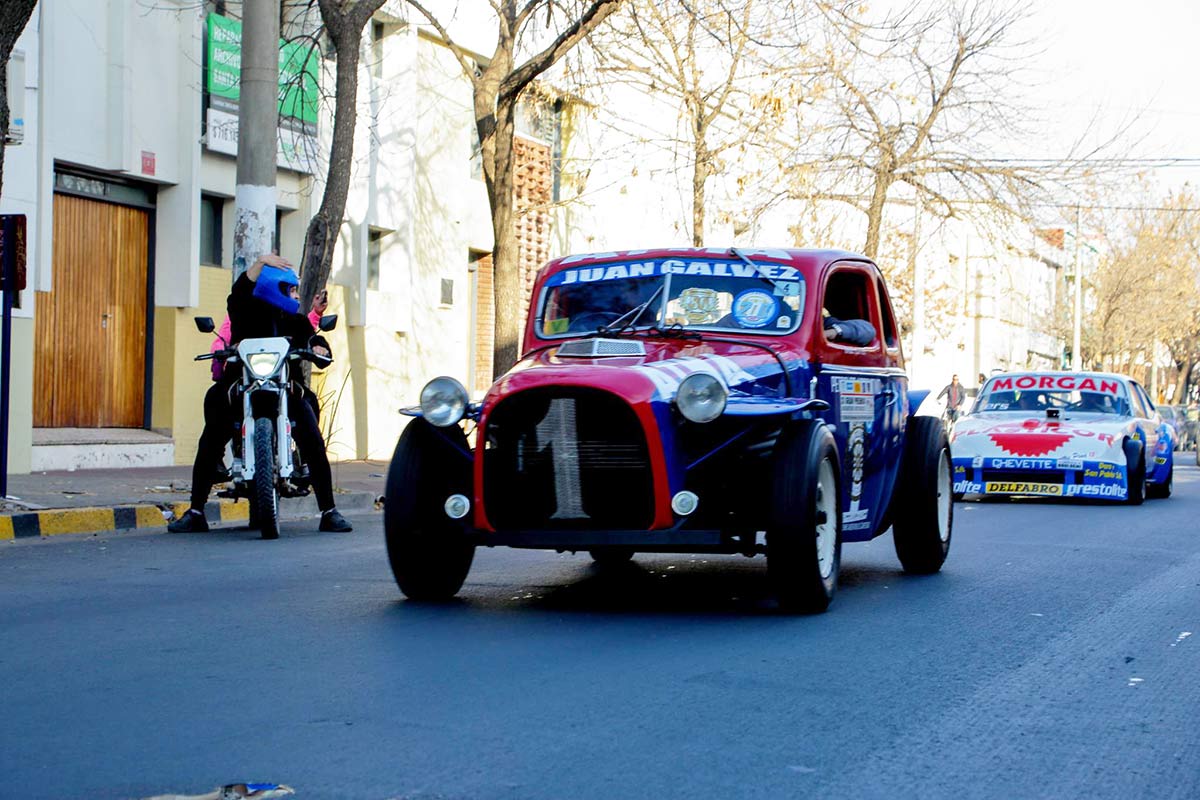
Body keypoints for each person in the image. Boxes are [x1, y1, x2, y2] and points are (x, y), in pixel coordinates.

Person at [169, 254, 351, 534]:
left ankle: (329, 510)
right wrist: (259, 263)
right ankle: (196, 510)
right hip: (243, 389)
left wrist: (319, 349)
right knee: (214, 415)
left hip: (283, 392)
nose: (294, 295)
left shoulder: (296, 321)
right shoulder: (245, 313)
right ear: (274, 287)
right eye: (290, 290)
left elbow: (311, 337)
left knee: (311, 431)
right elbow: (238, 293)